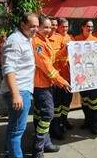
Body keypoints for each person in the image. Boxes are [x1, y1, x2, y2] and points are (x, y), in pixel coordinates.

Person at [0, 13, 39, 158]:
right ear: (22, 25)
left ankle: (10, 152)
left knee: (14, 127)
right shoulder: (15, 40)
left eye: (36, 26)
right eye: (32, 26)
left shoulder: (26, 38)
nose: (35, 29)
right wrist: (16, 94)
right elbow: (8, 69)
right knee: (16, 132)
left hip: (22, 90)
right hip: (18, 91)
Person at [32, 15, 71, 158]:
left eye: (49, 27)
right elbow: (47, 67)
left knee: (45, 115)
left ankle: (46, 143)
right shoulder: (38, 43)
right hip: (41, 84)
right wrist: (62, 81)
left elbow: (52, 59)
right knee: (48, 114)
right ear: (39, 28)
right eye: (45, 27)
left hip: (47, 83)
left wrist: (64, 50)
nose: (48, 30)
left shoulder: (45, 40)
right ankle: (38, 149)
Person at [75, 19, 97, 135]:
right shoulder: (75, 40)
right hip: (82, 78)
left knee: (94, 103)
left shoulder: (96, 41)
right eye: (88, 26)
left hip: (94, 78)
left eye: (91, 27)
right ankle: (87, 121)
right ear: (82, 27)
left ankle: (95, 125)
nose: (90, 29)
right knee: (85, 101)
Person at [51, 18, 74, 139]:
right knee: (57, 104)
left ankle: (64, 120)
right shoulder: (53, 38)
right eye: (63, 27)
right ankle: (57, 123)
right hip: (58, 78)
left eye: (66, 26)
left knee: (67, 101)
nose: (65, 29)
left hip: (69, 76)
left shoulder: (70, 38)